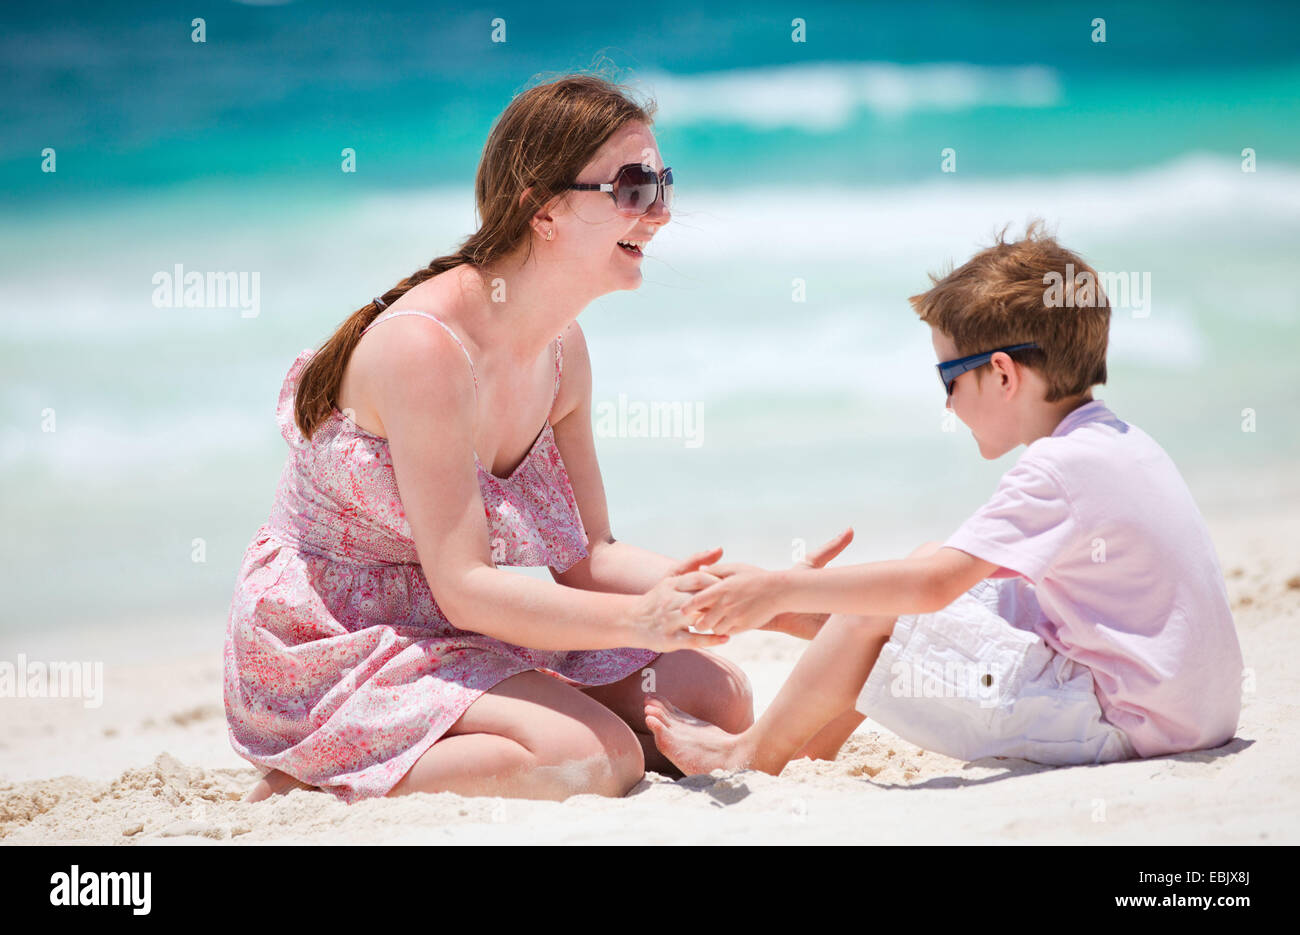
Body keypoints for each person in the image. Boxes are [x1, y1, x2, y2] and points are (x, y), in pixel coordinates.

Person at [224, 74, 846, 804]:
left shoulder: (563, 350)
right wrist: (644, 619)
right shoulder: (425, 351)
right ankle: (315, 772)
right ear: (543, 210)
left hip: (461, 621)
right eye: (634, 188)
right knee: (592, 757)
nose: (662, 213)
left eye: (662, 184)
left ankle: (490, 724)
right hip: (336, 636)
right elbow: (464, 586)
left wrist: (770, 599)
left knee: (719, 700)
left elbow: (592, 558)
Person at [645, 222, 1244, 776]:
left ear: (1003, 375)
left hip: (1123, 721)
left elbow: (932, 588)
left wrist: (783, 587)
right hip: (1184, 707)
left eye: (948, 378)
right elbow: (945, 578)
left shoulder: (1056, 469)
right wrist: (790, 597)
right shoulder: (1116, 441)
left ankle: (752, 754)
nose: (948, 404)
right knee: (916, 573)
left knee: (887, 604)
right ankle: (808, 736)